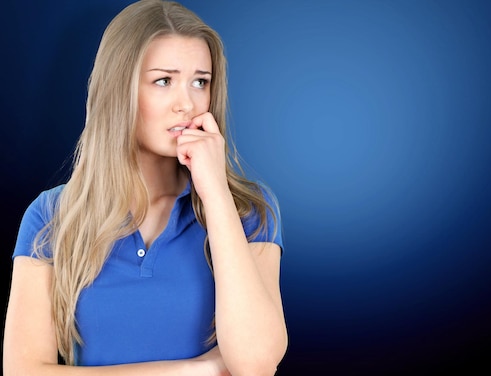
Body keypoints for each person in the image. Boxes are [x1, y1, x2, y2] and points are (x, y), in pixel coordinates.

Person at [3, 0, 287, 375]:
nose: (186, 103)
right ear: (119, 90)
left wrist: (216, 192)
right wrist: (196, 370)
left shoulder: (251, 211)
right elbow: (23, 371)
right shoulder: (51, 216)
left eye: (200, 82)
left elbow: (254, 364)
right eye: (163, 81)